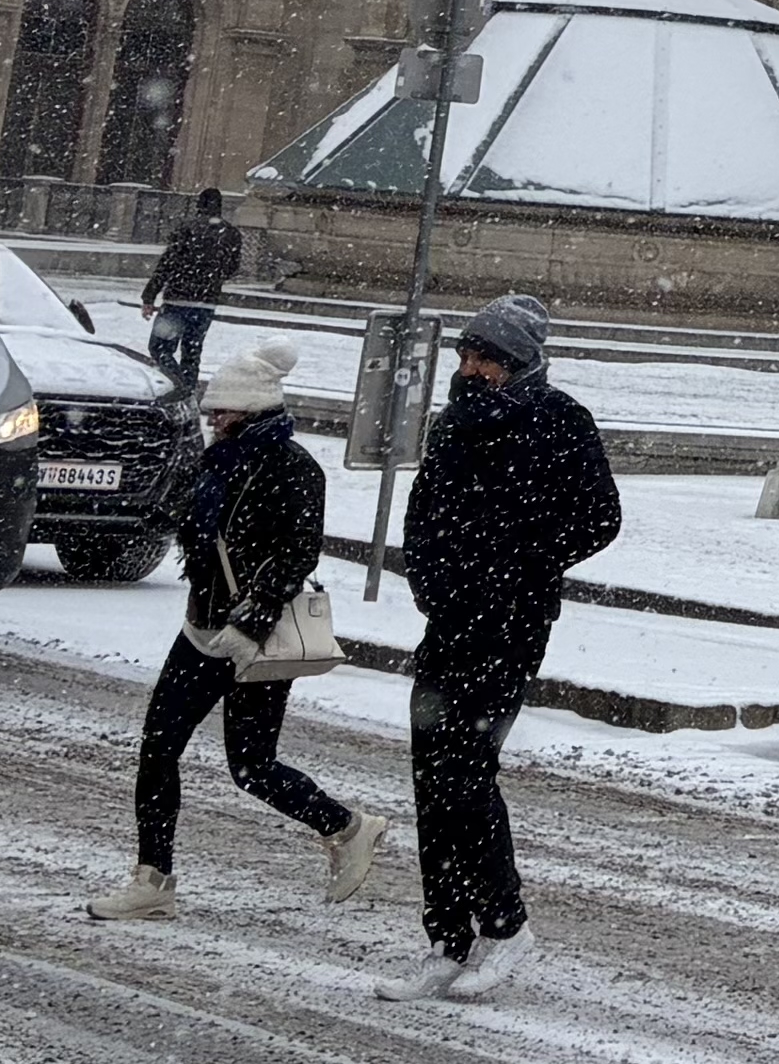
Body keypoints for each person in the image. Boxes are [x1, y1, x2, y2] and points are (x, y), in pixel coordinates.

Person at [89, 341, 386, 919]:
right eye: (212, 412)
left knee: (251, 768)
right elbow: (190, 526)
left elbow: (296, 553)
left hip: (253, 639)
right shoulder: (215, 461)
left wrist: (250, 623)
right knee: (159, 749)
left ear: (252, 411)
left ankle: (348, 827)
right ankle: (153, 881)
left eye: (222, 412)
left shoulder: (296, 469)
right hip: (202, 628)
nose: (213, 420)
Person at [385, 293, 621, 1000]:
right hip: (450, 620)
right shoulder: (453, 422)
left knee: (467, 774)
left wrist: (520, 563)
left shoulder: (558, 421)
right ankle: (447, 937)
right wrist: (428, 576)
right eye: (467, 352)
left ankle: (506, 924)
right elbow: (423, 510)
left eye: (485, 355)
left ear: (518, 362)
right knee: (432, 777)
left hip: (510, 624)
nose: (471, 365)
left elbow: (600, 517)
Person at [141, 186, 246, 393]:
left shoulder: (186, 229)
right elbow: (233, 267)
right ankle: (188, 388)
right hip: (206, 303)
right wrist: (213, 279)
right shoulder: (231, 233)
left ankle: (178, 386)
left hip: (177, 301)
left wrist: (149, 296)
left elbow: (167, 264)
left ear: (199, 205)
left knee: (160, 348)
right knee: (192, 351)